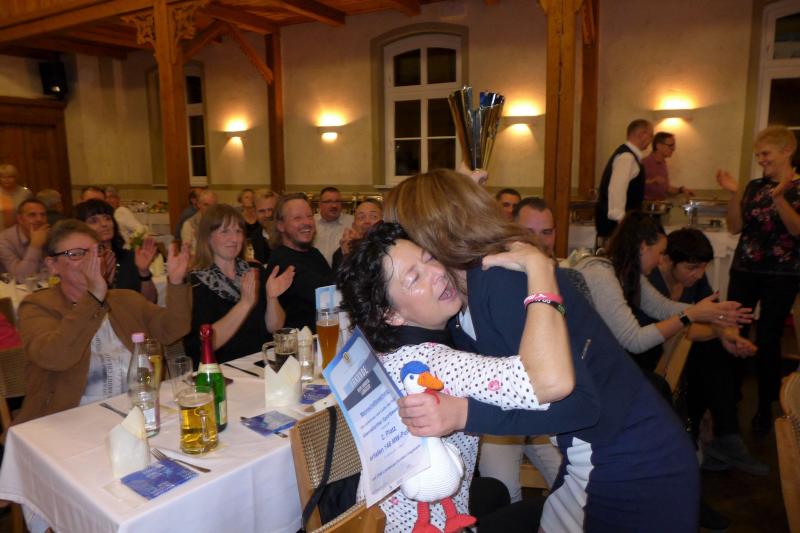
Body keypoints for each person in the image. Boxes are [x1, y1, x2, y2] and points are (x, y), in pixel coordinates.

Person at [385, 169, 700, 532]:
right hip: (596, 452)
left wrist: (466, 414)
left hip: (632, 463)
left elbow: (580, 404)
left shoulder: (498, 281)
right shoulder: (462, 297)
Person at [337, 221, 570, 531]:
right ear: (390, 313)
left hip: (376, 521)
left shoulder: (377, 354)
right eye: (414, 277)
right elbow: (548, 382)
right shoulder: (435, 365)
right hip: (433, 526)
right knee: (554, 509)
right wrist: (540, 269)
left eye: (430, 258)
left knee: (497, 492)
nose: (437, 272)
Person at [12, 219, 191, 425]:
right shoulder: (38, 306)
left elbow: (173, 330)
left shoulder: (126, 299)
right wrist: (94, 296)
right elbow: (55, 357)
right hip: (66, 421)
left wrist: (176, 282)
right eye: (76, 254)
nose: (91, 261)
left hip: (134, 411)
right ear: (52, 265)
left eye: (96, 252)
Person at [649, 228, 765, 475]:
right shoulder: (652, 282)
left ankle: (721, 435)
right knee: (710, 353)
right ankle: (722, 436)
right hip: (652, 355)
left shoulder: (696, 280)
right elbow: (680, 330)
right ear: (668, 260)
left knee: (717, 354)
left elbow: (715, 316)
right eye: (691, 268)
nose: (699, 274)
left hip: (681, 352)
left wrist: (731, 336)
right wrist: (720, 332)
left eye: (703, 268)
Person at [574, 212, 749, 371]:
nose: (660, 261)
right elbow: (635, 341)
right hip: (579, 361)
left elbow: (661, 307)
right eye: (660, 253)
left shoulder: (628, 272)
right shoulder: (602, 275)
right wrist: (691, 314)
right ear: (643, 247)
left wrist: (715, 313)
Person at [716, 124, 800, 433]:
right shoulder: (753, 186)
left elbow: (796, 230)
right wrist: (735, 194)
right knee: (734, 329)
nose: (761, 160)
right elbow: (735, 227)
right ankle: (731, 396)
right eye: (758, 155)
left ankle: (766, 405)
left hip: (783, 274)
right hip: (745, 269)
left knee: (768, 336)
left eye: (766, 154)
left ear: (787, 151)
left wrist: (779, 197)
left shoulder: (798, 188)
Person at [185, 204, 294, 365]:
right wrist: (244, 304)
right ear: (207, 237)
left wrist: (272, 298)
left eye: (238, 231)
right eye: (225, 231)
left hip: (260, 363)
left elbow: (275, 327)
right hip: (220, 370)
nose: (234, 239)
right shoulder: (195, 283)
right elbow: (204, 344)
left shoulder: (254, 270)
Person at [267, 193, 333, 332]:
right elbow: (325, 294)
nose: (307, 222)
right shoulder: (282, 262)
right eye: (297, 218)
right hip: (298, 342)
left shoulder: (313, 253)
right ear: (280, 225)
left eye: (309, 216)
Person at [75, 199, 158, 303]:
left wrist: (144, 272)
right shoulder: (81, 264)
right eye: (94, 221)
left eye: (107, 218)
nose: (104, 224)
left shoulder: (129, 257)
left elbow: (150, 302)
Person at [595, 118, 654, 240]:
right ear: (642, 134)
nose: (651, 140)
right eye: (650, 135)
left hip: (620, 224)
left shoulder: (629, 155)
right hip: (616, 227)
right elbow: (617, 190)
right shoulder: (627, 157)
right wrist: (622, 222)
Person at [0, 199, 49, 282]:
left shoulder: (49, 235)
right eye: (32, 215)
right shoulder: (4, 241)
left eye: (43, 215)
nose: (39, 219)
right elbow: (21, 278)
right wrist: (35, 246)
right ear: (20, 219)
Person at [331, 198, 383, 271]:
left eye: (373, 216)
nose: (367, 221)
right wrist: (347, 255)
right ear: (354, 226)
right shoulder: (342, 253)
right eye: (361, 217)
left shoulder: (392, 249)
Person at [642, 132, 694, 201]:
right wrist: (652, 181)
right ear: (659, 146)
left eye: (674, 145)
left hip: (660, 205)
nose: (674, 148)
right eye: (670, 145)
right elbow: (632, 185)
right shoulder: (644, 163)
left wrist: (681, 190)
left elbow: (666, 188)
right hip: (646, 206)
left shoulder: (663, 163)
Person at [313, 186, 353, 266]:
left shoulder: (352, 222)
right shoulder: (311, 222)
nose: (334, 206)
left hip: (342, 271)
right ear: (320, 205)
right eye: (328, 202)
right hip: (314, 271)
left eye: (337, 201)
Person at [181, 189, 218, 255]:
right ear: (199, 205)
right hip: (197, 259)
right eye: (206, 205)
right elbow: (186, 253)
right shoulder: (189, 224)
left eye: (213, 206)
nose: (209, 209)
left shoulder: (221, 222)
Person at [249, 188, 278, 265]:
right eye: (261, 211)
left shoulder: (289, 236)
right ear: (254, 213)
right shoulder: (255, 236)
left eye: (271, 210)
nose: (267, 215)